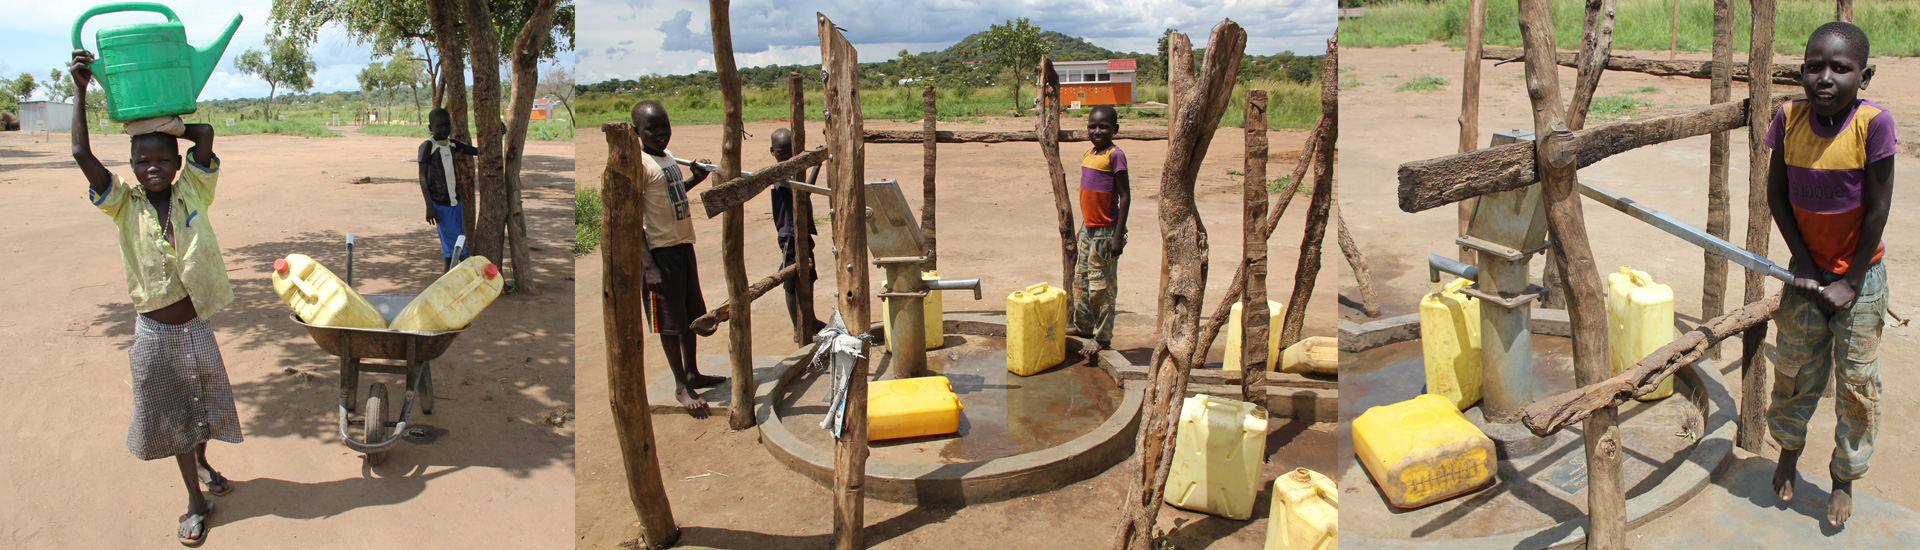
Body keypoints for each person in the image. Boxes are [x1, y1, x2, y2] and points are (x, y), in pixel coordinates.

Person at [70, 49, 241, 546]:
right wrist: (82, 89)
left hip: (196, 326)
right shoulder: (122, 203)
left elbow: (204, 134)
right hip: (155, 331)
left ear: (176, 161)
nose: (152, 168)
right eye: (141, 160)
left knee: (204, 409)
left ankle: (204, 461)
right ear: (130, 164)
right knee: (172, 418)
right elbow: (82, 155)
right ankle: (195, 500)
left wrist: (161, 123)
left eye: (161, 158)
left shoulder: (195, 190)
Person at [1764, 21, 1894, 528]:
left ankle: (1843, 477)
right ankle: (1788, 452)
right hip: (1806, 275)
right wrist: (1803, 262)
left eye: (1840, 68)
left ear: (1864, 76)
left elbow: (1879, 208)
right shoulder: (1789, 118)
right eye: (1814, 66)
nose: (1825, 78)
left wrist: (1851, 279)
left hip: (1859, 279)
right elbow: (1777, 194)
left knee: (1857, 383)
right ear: (1801, 72)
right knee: (1796, 372)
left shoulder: (1873, 124)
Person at [633, 100, 724, 414]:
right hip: (660, 254)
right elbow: (632, 219)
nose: (660, 133)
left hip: (682, 246)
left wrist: (695, 179)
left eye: (664, 126)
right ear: (636, 131)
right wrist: (649, 267)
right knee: (670, 325)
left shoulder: (666, 157)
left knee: (688, 318)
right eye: (651, 128)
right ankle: (680, 386)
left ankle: (692, 372)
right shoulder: (638, 163)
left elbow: (670, 196)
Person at [1067, 105, 1131, 356]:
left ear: (1115, 129)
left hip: (1106, 234)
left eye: (1104, 127)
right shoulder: (1089, 152)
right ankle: (1084, 328)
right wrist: (1083, 228)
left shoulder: (1115, 155)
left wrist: (1118, 235)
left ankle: (1103, 337)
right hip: (1088, 230)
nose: (1097, 131)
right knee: (1081, 282)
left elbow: (1125, 197)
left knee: (1101, 288)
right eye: (1092, 126)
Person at [768, 128, 826, 343]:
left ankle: (809, 319)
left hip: (802, 232)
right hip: (789, 235)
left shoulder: (792, 173)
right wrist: (817, 165)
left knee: (808, 275)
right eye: (782, 152)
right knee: (791, 281)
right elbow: (804, 191)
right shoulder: (779, 176)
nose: (787, 156)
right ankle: (797, 327)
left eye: (792, 151)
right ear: (772, 151)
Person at [418, 108, 480, 272]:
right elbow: (422, 176)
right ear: (430, 128)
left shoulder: (453, 144)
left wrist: (498, 133)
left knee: (452, 242)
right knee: (458, 244)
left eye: (447, 125)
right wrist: (429, 205)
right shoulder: (427, 147)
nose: (444, 129)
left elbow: (476, 151)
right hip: (440, 205)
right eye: (440, 126)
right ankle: (474, 273)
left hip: (455, 203)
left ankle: (446, 276)